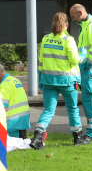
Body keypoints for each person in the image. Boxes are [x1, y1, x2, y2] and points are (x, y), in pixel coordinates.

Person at [30, 13, 82, 150]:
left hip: (48, 80)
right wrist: (81, 56)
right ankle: (78, 138)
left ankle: (37, 137)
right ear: (66, 25)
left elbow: (41, 60)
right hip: (67, 80)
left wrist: (41, 77)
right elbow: (74, 60)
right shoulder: (68, 40)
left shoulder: (46, 38)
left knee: (48, 110)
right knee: (72, 109)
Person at [71, 3, 92, 145]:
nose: (73, 19)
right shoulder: (88, 24)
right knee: (89, 100)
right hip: (88, 66)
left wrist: (89, 65)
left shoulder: (91, 24)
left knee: (89, 99)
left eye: (73, 16)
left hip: (90, 67)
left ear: (80, 12)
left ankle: (91, 133)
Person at [0, 63, 30, 139]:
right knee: (22, 141)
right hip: (22, 120)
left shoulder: (4, 85)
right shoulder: (15, 80)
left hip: (12, 122)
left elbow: (2, 109)